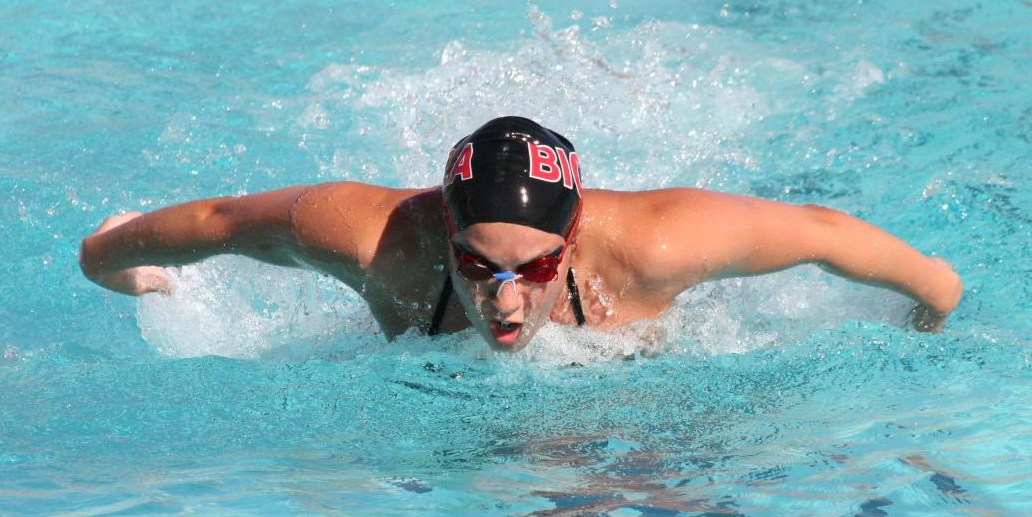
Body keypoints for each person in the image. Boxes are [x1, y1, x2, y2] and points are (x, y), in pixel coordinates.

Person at [79, 116, 962, 351]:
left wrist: (933, 296)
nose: (505, 299)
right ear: (442, 228)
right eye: (475, 264)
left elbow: (821, 232)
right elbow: (220, 223)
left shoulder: (657, 244)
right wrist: (110, 262)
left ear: (572, 242)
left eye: (535, 268)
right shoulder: (377, 240)